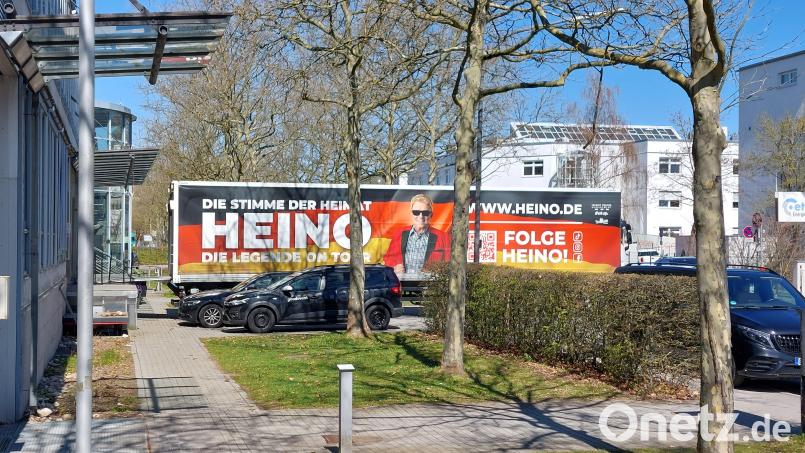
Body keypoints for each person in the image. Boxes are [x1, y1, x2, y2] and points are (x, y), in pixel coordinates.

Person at [383, 194, 450, 275]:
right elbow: (388, 259)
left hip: (430, 286)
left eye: (425, 213)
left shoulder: (443, 237)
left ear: (431, 215)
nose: (421, 216)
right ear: (411, 214)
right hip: (402, 285)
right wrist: (393, 268)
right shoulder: (399, 234)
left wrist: (436, 270)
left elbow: (449, 265)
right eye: (416, 212)